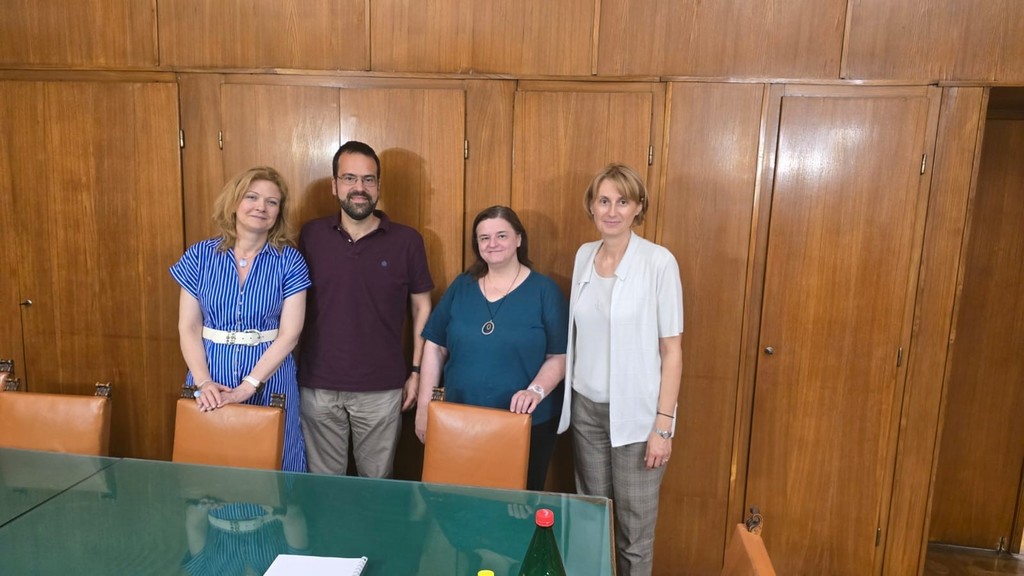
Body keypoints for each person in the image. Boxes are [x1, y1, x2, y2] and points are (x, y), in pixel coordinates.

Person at [557, 164, 683, 576]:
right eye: (604, 201)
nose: (612, 211)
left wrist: (663, 427)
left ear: (638, 207)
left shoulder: (658, 262)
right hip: (586, 411)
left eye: (623, 202)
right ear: (592, 206)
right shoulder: (584, 255)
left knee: (634, 535)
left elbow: (672, 351)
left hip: (637, 417)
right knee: (592, 522)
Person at [298, 140, 434, 478]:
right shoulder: (311, 235)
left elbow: (422, 309)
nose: (359, 187)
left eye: (368, 179)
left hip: (382, 387)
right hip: (318, 385)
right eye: (349, 178)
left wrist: (416, 372)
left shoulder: (407, 241)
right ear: (334, 185)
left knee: (377, 487)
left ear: (378, 186)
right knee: (324, 487)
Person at [415, 205, 568, 491]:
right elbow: (435, 346)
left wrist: (534, 391)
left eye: (501, 235)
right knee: (457, 502)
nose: (492, 244)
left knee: (517, 507)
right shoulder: (462, 286)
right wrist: (425, 408)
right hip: (458, 422)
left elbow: (559, 357)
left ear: (519, 239)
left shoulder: (544, 291)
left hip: (524, 425)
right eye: (484, 238)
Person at [170, 166, 311, 472]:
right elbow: (188, 327)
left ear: (279, 212)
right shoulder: (199, 256)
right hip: (209, 375)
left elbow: (290, 333)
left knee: (277, 460)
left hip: (270, 377)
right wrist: (204, 382)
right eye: (252, 197)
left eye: (272, 202)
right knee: (209, 464)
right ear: (234, 202)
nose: (261, 207)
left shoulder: (290, 260)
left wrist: (249, 385)